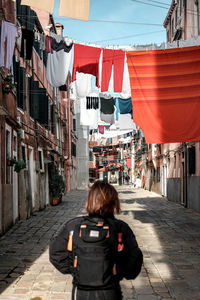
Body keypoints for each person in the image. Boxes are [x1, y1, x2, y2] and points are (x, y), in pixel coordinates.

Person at [49, 180, 143, 300]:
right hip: (110, 291)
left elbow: (55, 253)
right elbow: (134, 259)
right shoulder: (120, 228)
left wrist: (76, 270)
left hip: (82, 293)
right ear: (113, 202)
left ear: (90, 200)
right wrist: (118, 271)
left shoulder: (72, 226)